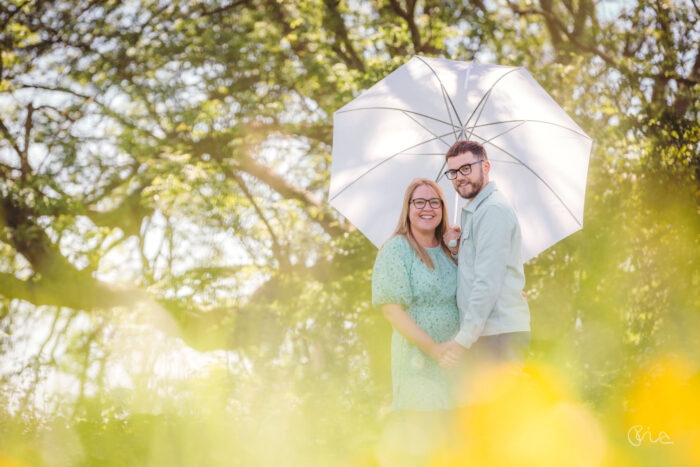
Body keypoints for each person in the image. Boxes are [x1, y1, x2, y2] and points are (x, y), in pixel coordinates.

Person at [440, 140, 530, 372]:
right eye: (453, 172)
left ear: (486, 167)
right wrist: (455, 250)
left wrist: (463, 340)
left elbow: (487, 282)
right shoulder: (476, 211)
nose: (460, 177)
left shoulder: (492, 211)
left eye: (466, 168)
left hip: (497, 336)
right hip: (488, 335)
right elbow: (476, 271)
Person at [371, 178, 460, 412]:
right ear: (407, 208)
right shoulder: (397, 249)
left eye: (434, 202)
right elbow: (391, 310)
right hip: (417, 364)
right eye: (419, 202)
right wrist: (434, 349)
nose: (427, 208)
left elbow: (474, 294)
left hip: (456, 363)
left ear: (443, 207)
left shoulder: (450, 251)